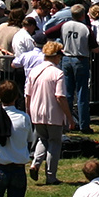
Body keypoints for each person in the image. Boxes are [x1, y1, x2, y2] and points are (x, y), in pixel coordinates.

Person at [26, 41, 73, 185]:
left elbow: (27, 94)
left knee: (42, 139)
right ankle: (51, 175)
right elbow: (60, 96)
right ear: (56, 56)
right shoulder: (57, 73)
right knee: (54, 142)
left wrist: (28, 112)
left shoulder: (34, 71)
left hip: (36, 111)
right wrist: (69, 117)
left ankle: (35, 163)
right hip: (53, 113)